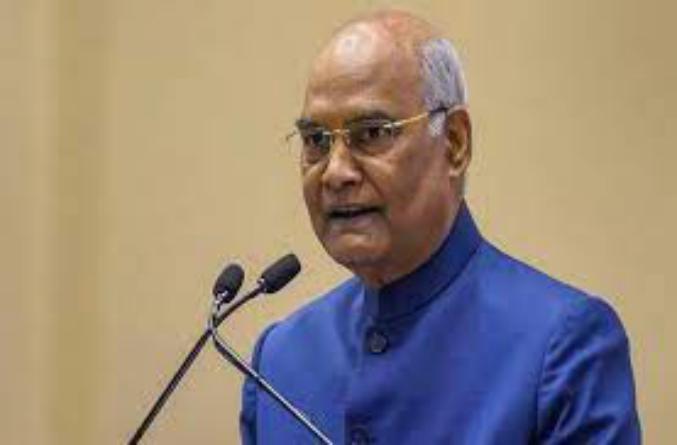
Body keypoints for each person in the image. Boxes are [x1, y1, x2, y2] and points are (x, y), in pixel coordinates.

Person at [241, 10, 641, 444]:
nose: (336, 172)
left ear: (454, 143)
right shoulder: (279, 361)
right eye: (316, 140)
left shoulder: (561, 346)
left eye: (372, 133)